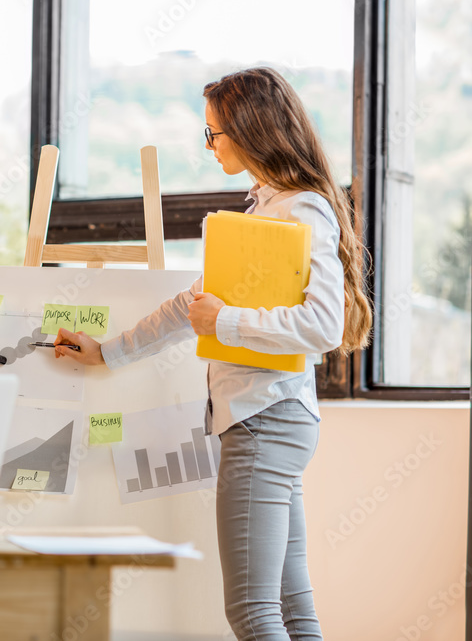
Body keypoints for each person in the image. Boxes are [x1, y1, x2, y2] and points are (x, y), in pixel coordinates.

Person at [53, 67, 372, 640]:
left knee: (252, 611)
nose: (209, 146)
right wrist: (110, 352)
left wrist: (222, 319)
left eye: (214, 134)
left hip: (263, 420)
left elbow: (322, 326)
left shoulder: (298, 209)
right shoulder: (265, 210)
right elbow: (189, 306)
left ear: (250, 131)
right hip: (273, 418)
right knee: (291, 609)